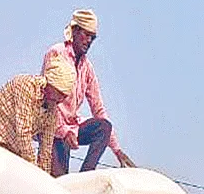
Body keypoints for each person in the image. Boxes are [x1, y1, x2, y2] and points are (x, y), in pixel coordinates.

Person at [43, 9, 135, 176]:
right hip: (52, 127)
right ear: (75, 31)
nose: (89, 41)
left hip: (72, 126)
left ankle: (85, 178)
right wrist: (64, 131)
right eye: (86, 35)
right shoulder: (57, 53)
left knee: (104, 127)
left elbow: (98, 109)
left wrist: (117, 150)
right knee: (58, 182)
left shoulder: (87, 68)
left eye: (92, 37)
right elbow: (48, 99)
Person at [0, 52, 76, 171]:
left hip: (12, 142)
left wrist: (43, 176)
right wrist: (33, 170)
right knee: (10, 172)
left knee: (20, 172)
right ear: (50, 84)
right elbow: (23, 131)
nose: (60, 100)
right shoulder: (25, 86)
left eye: (64, 96)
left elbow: (45, 150)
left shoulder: (52, 112)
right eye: (59, 93)